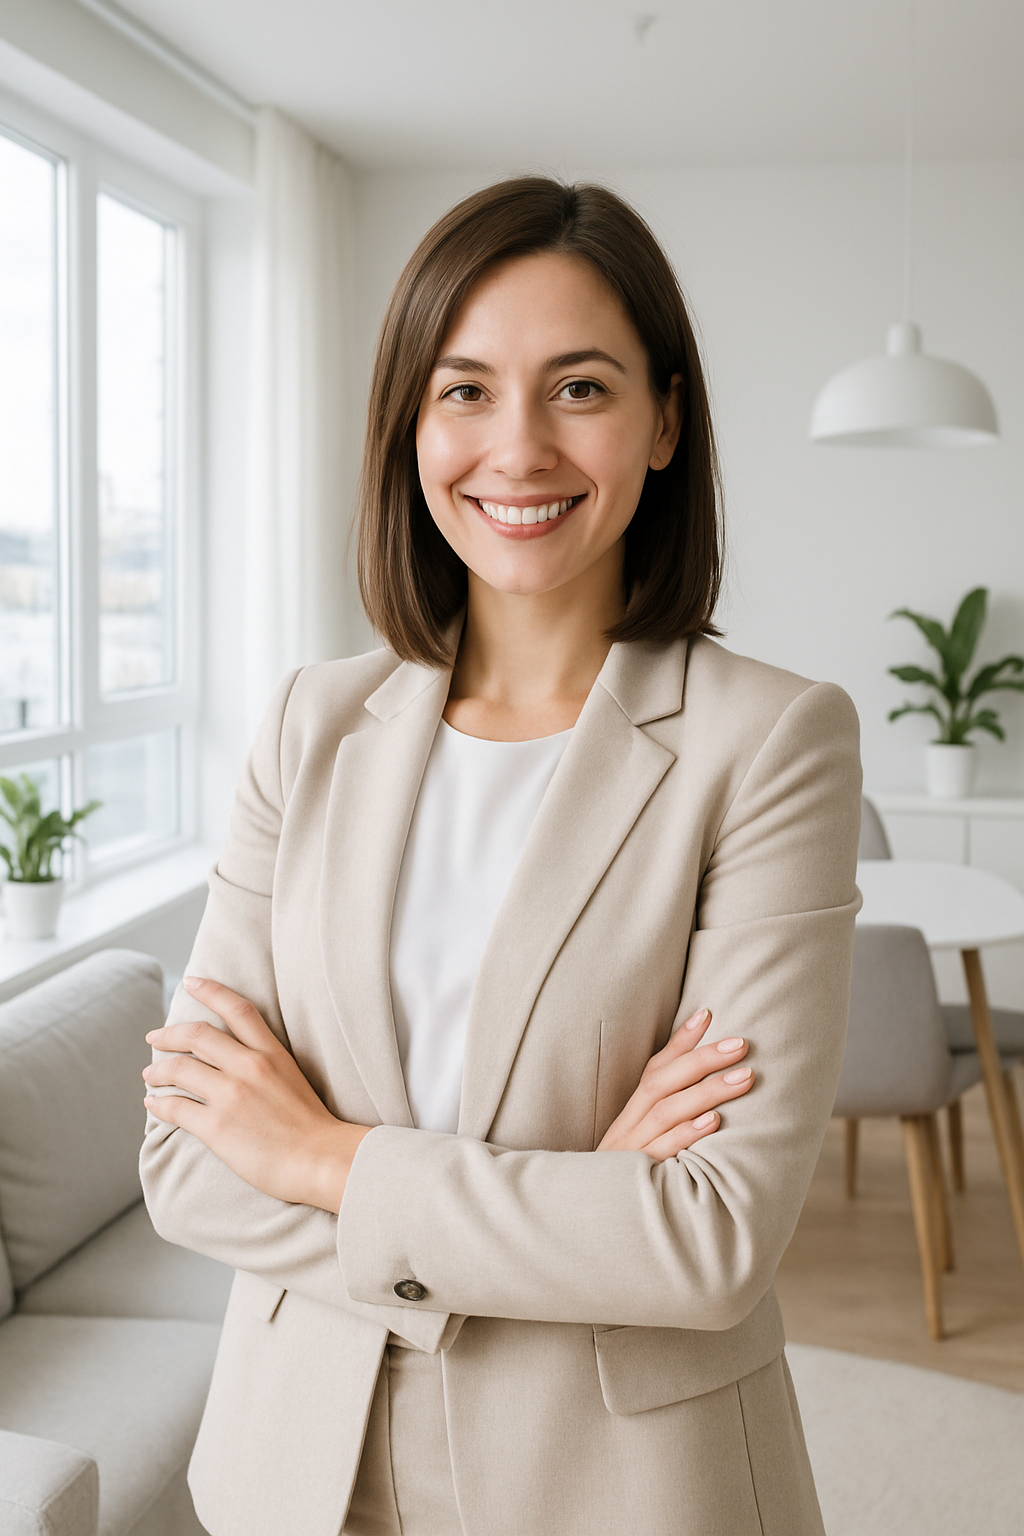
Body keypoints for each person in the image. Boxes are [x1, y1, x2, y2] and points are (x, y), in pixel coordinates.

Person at [139, 176, 861, 1536]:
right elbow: (184, 1162)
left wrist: (316, 1155)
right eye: (464, 391)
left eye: (579, 388)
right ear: (409, 427)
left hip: (622, 1488)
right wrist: (584, 1206)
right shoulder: (308, 725)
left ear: (665, 420)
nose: (517, 447)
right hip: (299, 1471)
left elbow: (707, 1236)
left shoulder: (771, 742)